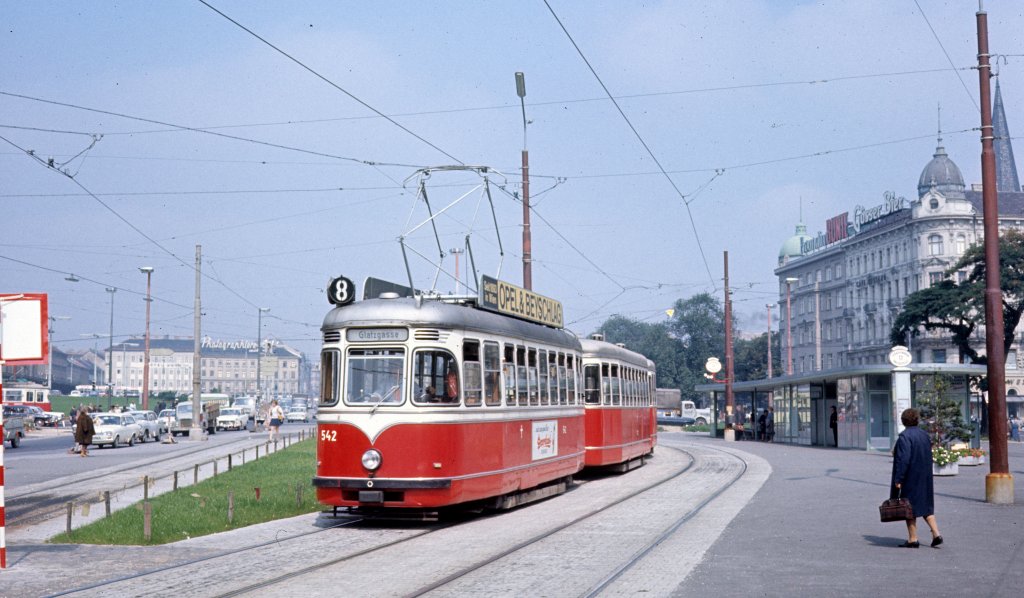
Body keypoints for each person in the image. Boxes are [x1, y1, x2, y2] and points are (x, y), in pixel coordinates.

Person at [890, 408, 943, 548]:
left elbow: (903, 460)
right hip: (925, 476)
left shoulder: (904, 437)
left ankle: (913, 539)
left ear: (903, 421)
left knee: (909, 507)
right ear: (917, 420)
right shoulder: (924, 435)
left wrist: (898, 479)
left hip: (910, 477)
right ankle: (936, 533)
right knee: (925, 506)